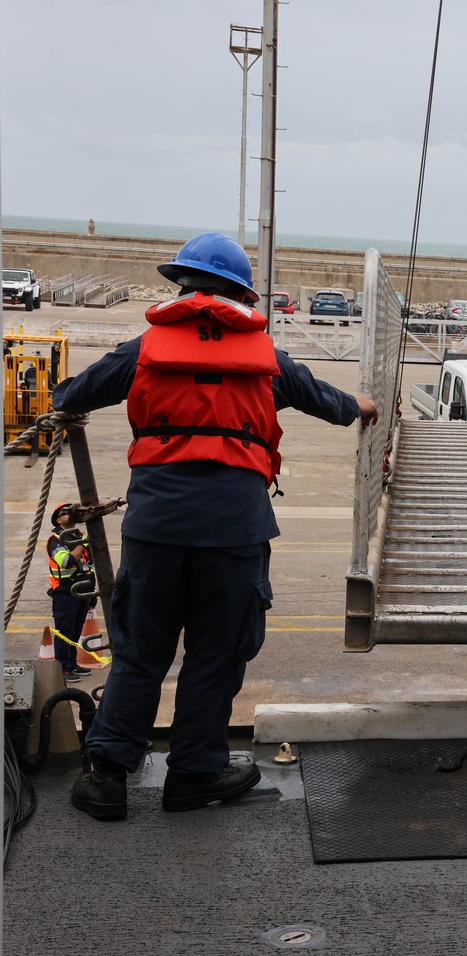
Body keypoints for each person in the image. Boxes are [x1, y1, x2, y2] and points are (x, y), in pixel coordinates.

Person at [57, 232, 378, 821]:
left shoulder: (143, 349)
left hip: (154, 529)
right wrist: (363, 405)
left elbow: (70, 393)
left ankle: (106, 778)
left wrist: (66, 403)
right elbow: (332, 404)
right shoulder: (268, 361)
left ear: (182, 286)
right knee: (216, 655)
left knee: (139, 653)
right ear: (240, 295)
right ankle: (194, 773)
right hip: (234, 532)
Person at [47, 503, 96, 684]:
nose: (70, 514)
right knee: (64, 632)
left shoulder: (79, 536)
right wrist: (83, 544)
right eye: (65, 512)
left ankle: (72, 663)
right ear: (59, 520)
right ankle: (63, 668)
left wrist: (92, 593)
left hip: (82, 592)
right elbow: (66, 561)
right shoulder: (56, 540)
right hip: (64, 594)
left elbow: (89, 565)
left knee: (75, 630)